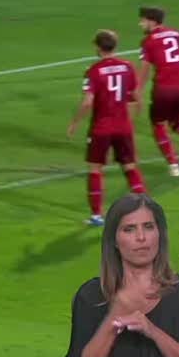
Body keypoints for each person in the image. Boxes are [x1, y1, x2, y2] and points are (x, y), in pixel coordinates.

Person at [63, 193, 179, 357]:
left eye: (148, 227)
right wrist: (113, 318)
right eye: (129, 229)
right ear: (114, 240)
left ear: (159, 234)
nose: (141, 237)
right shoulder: (91, 296)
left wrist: (152, 331)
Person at [67, 30, 147, 227]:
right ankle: (145, 209)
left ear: (97, 47)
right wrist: (133, 118)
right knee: (129, 167)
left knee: (95, 169)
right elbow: (135, 97)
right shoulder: (127, 67)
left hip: (101, 128)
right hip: (123, 127)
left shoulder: (94, 71)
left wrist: (75, 122)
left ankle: (96, 215)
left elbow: (88, 102)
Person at [137, 7, 179, 177]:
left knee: (158, 124)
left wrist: (137, 92)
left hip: (163, 89)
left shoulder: (148, 41)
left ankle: (173, 165)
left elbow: (144, 72)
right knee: (176, 121)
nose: (140, 24)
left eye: (143, 21)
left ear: (152, 21)